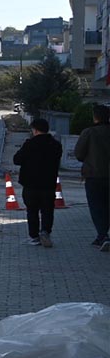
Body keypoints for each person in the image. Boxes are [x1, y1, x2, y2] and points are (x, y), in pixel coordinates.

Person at [12, 118, 63, 247]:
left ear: (35, 130)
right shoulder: (56, 145)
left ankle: (34, 237)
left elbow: (17, 160)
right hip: (49, 183)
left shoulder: (30, 144)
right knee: (47, 210)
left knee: (32, 210)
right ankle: (45, 232)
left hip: (31, 184)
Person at [74, 104, 110, 251]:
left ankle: (102, 235)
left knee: (96, 206)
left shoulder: (89, 132)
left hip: (94, 175)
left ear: (95, 117)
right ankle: (102, 235)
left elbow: (79, 154)